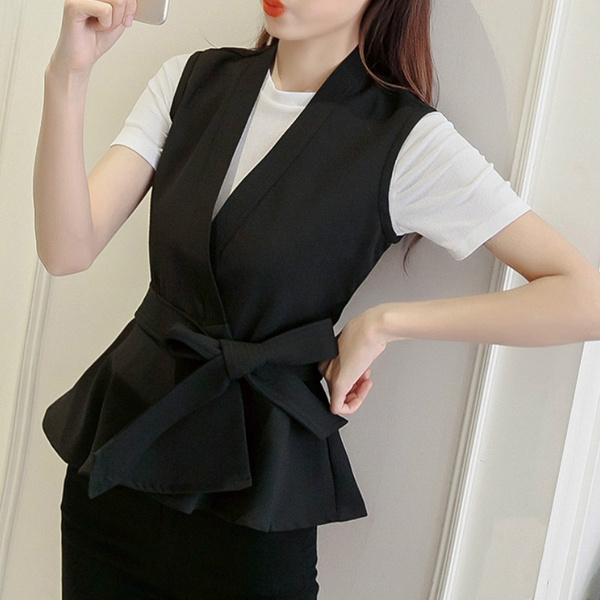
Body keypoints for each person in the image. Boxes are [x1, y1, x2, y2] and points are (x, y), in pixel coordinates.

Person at [33, 0, 600, 598]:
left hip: (256, 495)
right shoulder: (191, 82)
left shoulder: (404, 140)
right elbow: (66, 251)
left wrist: (385, 323)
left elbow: (583, 297)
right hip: (119, 460)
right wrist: (68, 76)